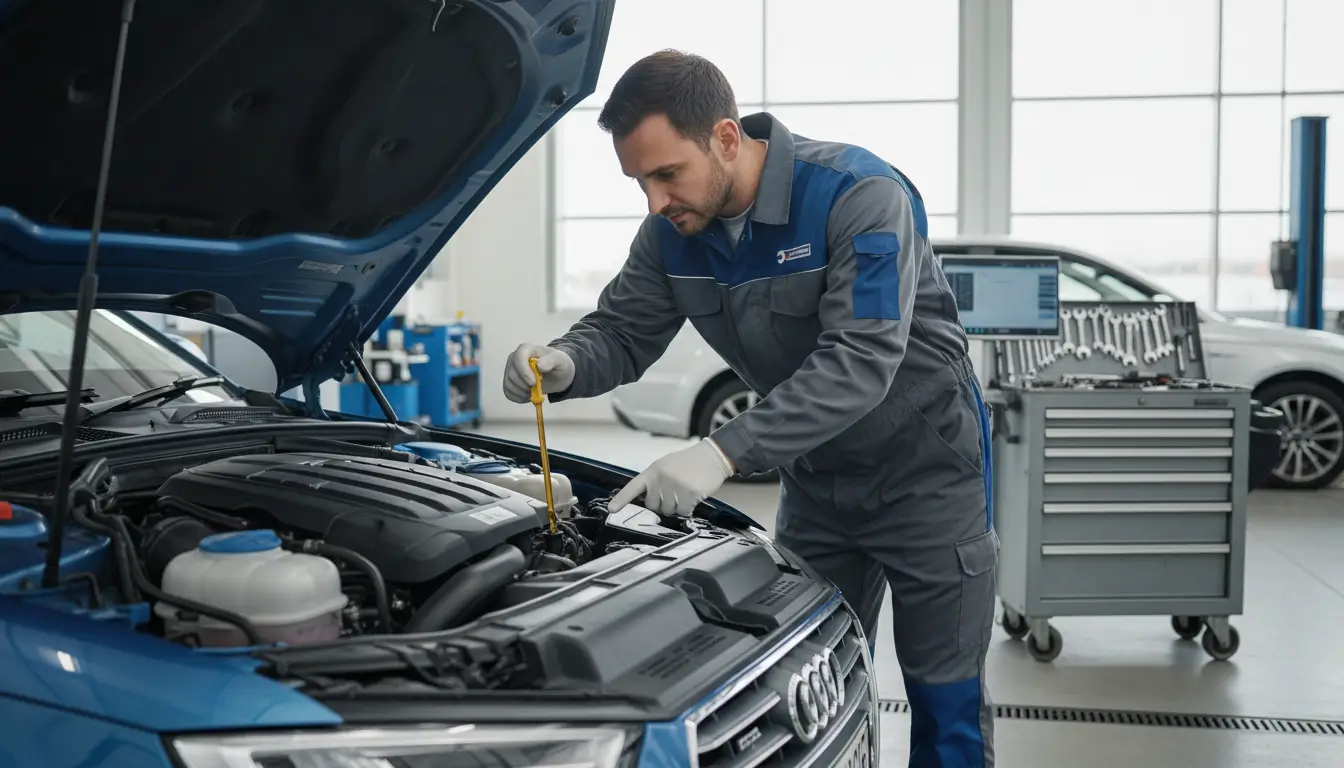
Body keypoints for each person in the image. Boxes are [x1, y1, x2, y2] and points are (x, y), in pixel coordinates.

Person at [503, 50, 998, 767]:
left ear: (727, 139)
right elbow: (621, 331)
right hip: (819, 484)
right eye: (639, 181)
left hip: (927, 475)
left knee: (943, 700)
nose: (654, 201)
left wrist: (721, 452)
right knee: (804, 679)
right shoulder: (672, 233)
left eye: (667, 173)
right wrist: (562, 362)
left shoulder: (859, 196)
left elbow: (861, 360)